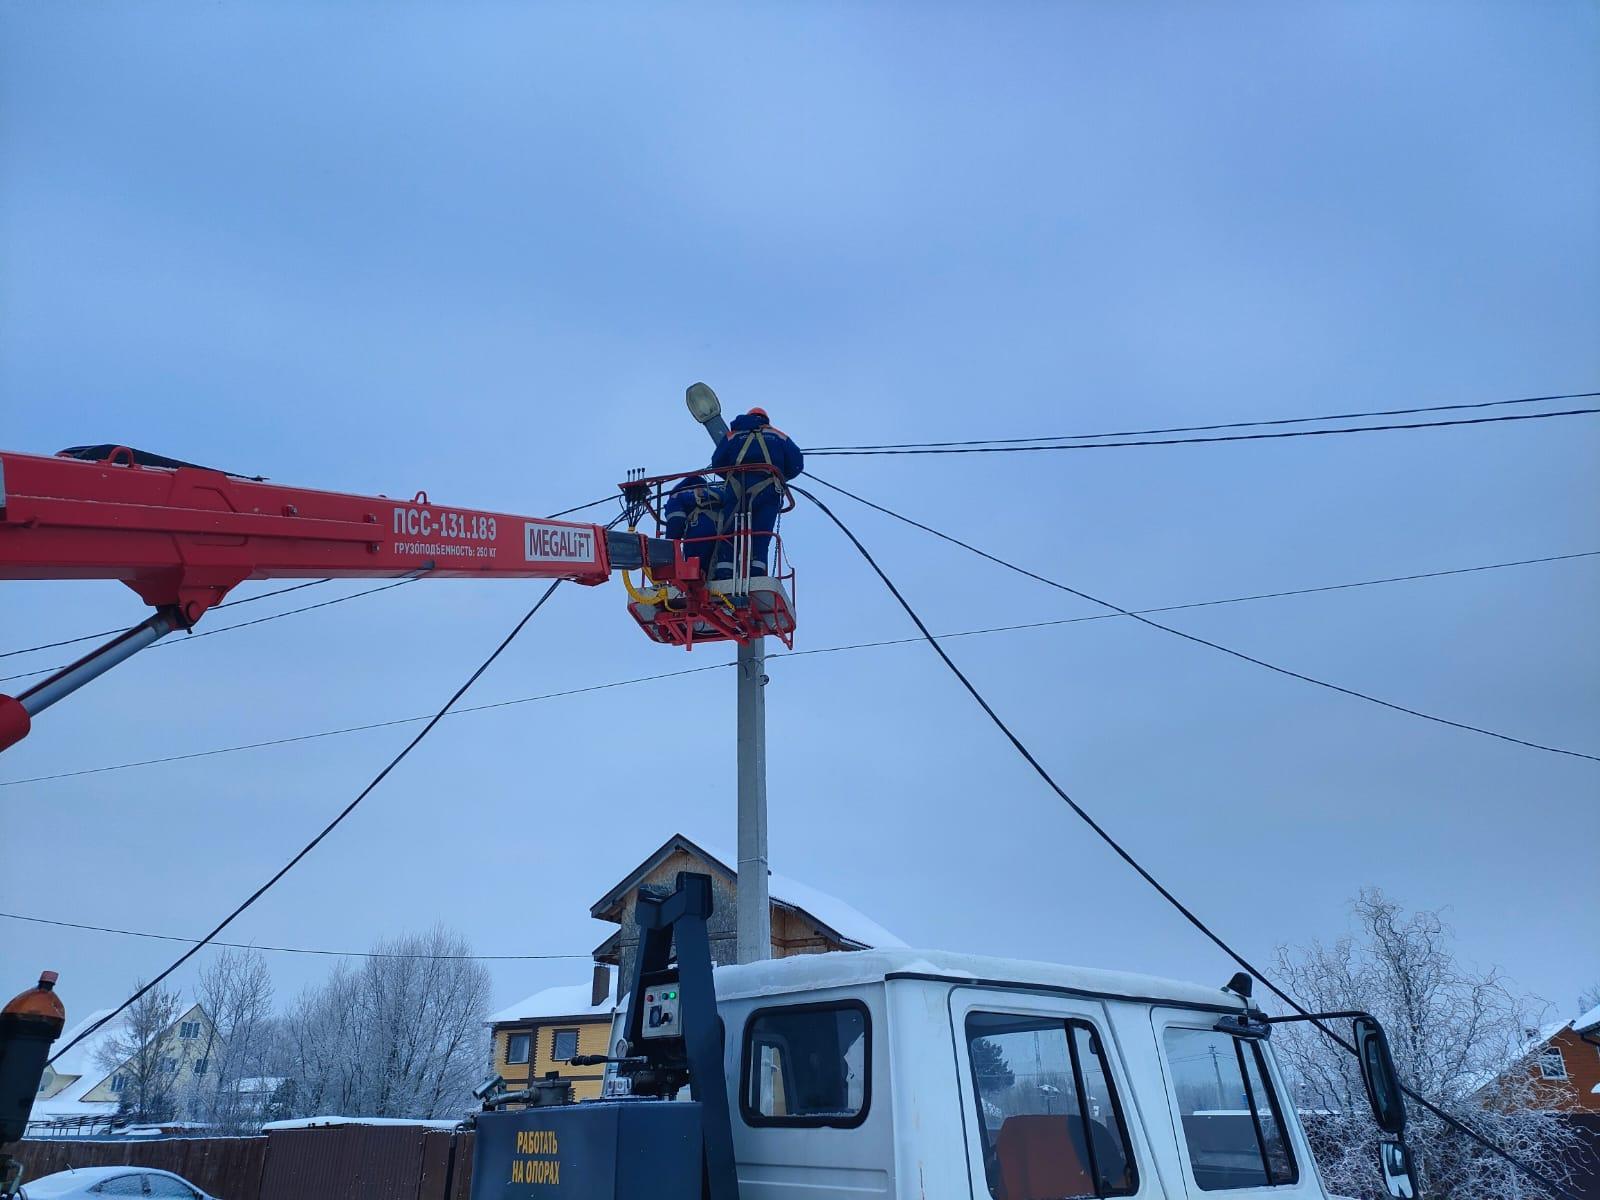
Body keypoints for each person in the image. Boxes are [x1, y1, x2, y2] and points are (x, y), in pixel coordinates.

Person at [709, 407, 803, 578]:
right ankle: (757, 572)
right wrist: (780, 476)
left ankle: (724, 571)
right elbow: (797, 463)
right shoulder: (778, 435)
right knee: (761, 534)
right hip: (768, 491)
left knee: (730, 532)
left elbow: (717, 463)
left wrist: (731, 477)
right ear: (765, 419)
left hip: (736, 490)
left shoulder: (732, 436)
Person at [662, 474, 728, 576]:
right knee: (722, 567)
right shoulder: (719, 493)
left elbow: (675, 523)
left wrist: (668, 549)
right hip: (726, 534)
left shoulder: (677, 496)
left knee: (696, 574)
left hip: (697, 535)